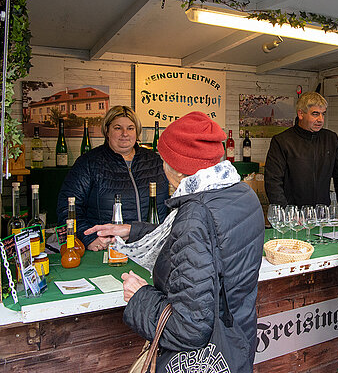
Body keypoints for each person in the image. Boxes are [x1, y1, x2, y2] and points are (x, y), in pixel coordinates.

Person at [84, 111, 264, 372]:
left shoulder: (195, 214)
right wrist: (131, 230)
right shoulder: (241, 193)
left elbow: (189, 327)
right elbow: (205, 242)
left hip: (205, 359)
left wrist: (140, 296)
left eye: (163, 159)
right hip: (237, 339)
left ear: (176, 168)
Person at [57, 105, 169, 251]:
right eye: (117, 128)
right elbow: (68, 207)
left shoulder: (154, 161)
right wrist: (88, 238)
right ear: (107, 131)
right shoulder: (89, 163)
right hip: (108, 248)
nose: (125, 134)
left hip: (153, 246)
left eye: (130, 128)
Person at [264, 92, 338, 211]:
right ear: (300, 114)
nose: (320, 119)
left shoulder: (331, 139)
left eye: (323, 114)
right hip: (292, 215)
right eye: (315, 114)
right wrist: (285, 214)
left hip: (322, 214)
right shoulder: (282, 141)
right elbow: (273, 182)